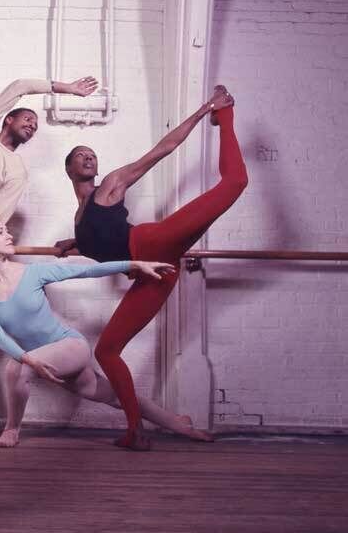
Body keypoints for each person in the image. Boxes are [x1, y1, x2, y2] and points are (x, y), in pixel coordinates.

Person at [55, 85, 248, 450]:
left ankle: (224, 115)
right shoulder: (80, 218)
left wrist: (207, 107)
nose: (89, 157)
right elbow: (105, 241)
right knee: (106, 351)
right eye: (81, 155)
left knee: (235, 183)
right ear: (69, 169)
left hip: (153, 243)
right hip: (155, 273)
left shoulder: (110, 185)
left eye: (92, 154)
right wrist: (75, 243)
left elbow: (164, 149)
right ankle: (134, 431)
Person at [0, 75, 98, 439]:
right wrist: (68, 90)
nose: (32, 125)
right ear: (7, 119)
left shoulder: (16, 170)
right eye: (27, 119)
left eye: (36, 126)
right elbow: (19, 85)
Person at [0, 217, 212, 447]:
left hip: (70, 347)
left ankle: (11, 431)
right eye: (0, 232)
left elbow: (84, 270)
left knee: (15, 367)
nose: (9, 235)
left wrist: (135, 263)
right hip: (42, 361)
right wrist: (30, 360)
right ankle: (178, 423)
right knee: (115, 396)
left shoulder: (32, 272)